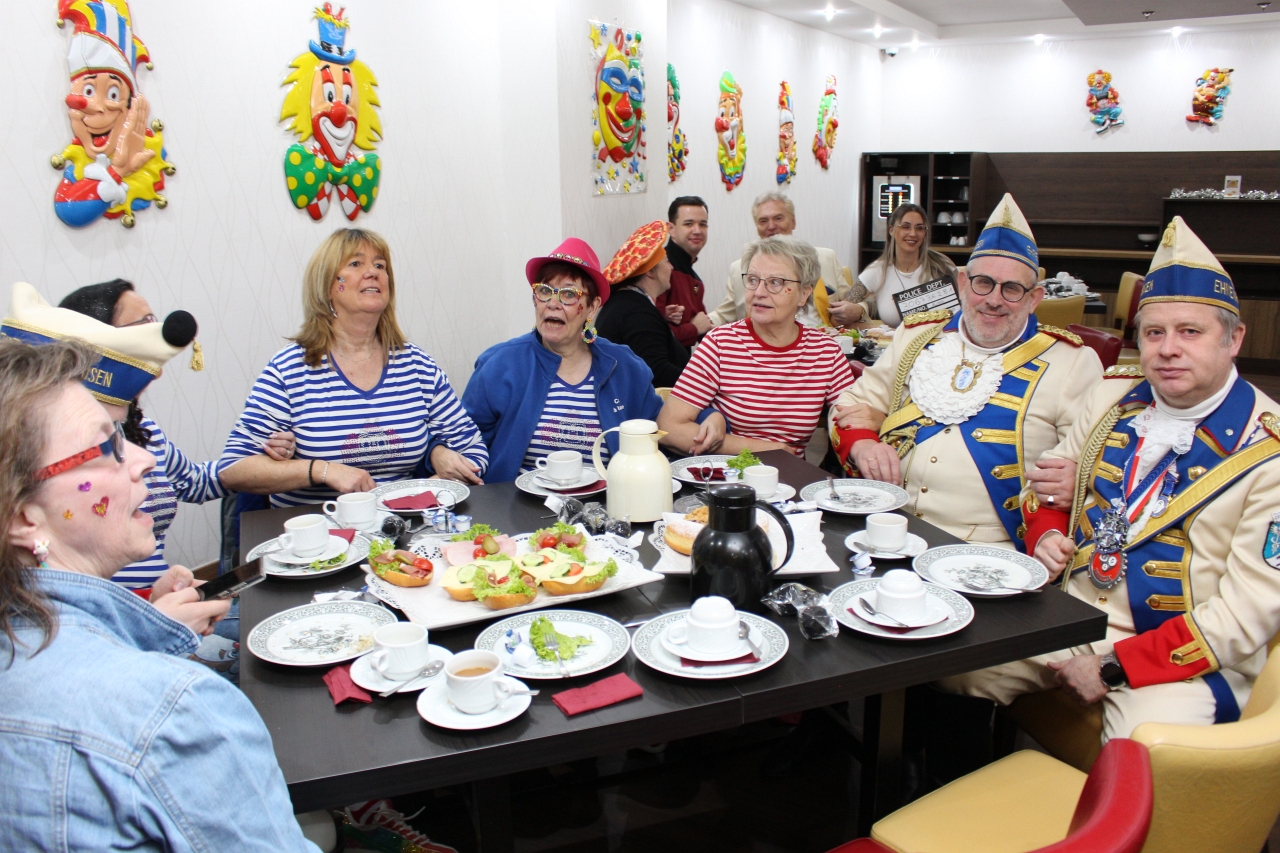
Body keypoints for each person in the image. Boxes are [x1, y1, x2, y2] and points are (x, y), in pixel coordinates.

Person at [942, 217, 1280, 742]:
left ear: (1233, 339)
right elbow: (1043, 488)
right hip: (1075, 614)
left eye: (1190, 332)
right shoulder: (1113, 395)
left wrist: (1114, 666)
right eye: (1154, 332)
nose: (1168, 349)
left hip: (1183, 652)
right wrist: (1047, 533)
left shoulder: (1268, 452)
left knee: (1140, 745)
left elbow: (1245, 616)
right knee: (952, 661)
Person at [0, 337, 316, 851]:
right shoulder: (176, 709)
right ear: (22, 515)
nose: (145, 459)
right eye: (106, 447)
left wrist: (148, 626)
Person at [830, 195, 1102, 551]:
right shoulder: (916, 336)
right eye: (983, 283)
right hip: (888, 525)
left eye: (1012, 289)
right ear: (962, 284)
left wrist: (1070, 492)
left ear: (1034, 299)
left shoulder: (1073, 363)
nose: (994, 299)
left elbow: (1086, 472)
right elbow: (847, 405)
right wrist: (864, 443)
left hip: (990, 550)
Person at [54, 279, 295, 590]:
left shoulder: (142, 431)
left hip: (163, 599)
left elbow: (196, 482)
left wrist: (259, 455)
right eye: (143, 325)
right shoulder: (58, 449)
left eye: (155, 322)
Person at [219, 228, 487, 505]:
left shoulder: (417, 366)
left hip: (405, 523)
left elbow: (474, 451)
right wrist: (322, 471)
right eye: (356, 263)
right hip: (320, 527)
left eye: (380, 265)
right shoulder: (290, 369)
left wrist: (431, 485)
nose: (373, 272)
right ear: (327, 285)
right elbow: (233, 469)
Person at [462, 238, 724, 482]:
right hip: (520, 506)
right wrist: (445, 455)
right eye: (544, 291)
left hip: (607, 505)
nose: (552, 303)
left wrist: (710, 416)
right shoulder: (500, 364)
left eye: (569, 294)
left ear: (593, 306)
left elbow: (660, 421)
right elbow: (465, 440)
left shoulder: (624, 366)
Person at [659, 236, 856, 455]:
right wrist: (771, 450)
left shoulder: (826, 352)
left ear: (804, 294)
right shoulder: (721, 344)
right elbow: (669, 428)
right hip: (728, 472)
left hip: (789, 476)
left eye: (775, 282)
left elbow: (853, 423)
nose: (759, 293)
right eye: (753, 280)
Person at [708, 191, 849, 328]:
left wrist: (858, 310)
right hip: (761, 340)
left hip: (819, 337)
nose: (771, 226)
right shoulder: (740, 269)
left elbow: (852, 302)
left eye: (778, 218)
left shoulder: (826, 259)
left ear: (793, 222)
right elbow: (722, 314)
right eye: (763, 221)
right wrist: (698, 323)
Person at [832, 202, 957, 328]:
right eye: (906, 227)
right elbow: (836, 319)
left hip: (943, 338)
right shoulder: (877, 271)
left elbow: (963, 310)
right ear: (891, 230)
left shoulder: (943, 265)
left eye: (919, 228)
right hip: (894, 340)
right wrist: (873, 324)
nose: (913, 233)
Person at [596, 221, 690, 388]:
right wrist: (704, 384)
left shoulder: (629, 304)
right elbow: (657, 372)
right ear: (650, 271)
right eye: (667, 261)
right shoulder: (636, 312)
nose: (671, 267)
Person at [657, 196, 712, 346]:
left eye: (703, 224)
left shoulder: (695, 280)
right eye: (689, 224)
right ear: (671, 229)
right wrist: (694, 328)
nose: (697, 231)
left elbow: (706, 327)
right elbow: (652, 333)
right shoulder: (657, 270)